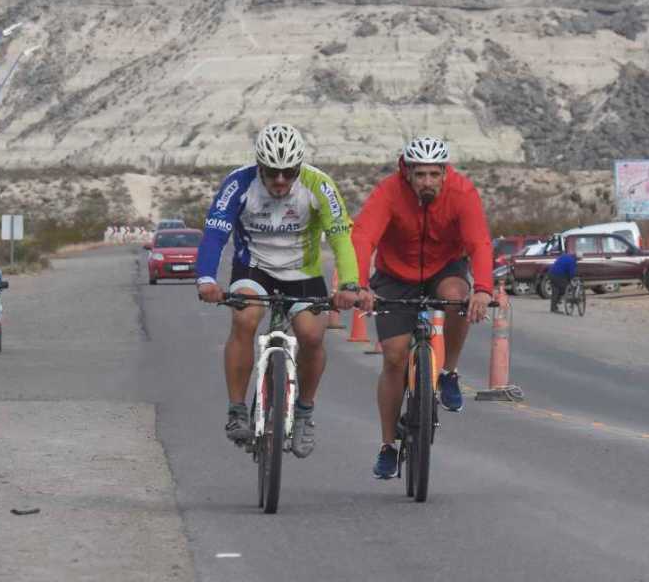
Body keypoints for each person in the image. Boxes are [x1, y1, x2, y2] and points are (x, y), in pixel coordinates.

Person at [195, 123, 359, 456]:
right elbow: (215, 234)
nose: (281, 180)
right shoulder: (239, 183)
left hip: (302, 272)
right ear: (259, 166)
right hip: (255, 267)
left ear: (299, 166)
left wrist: (350, 284)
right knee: (244, 319)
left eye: (289, 172)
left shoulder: (319, 184)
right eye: (272, 173)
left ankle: (304, 412)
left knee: (312, 335)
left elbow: (341, 237)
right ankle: (237, 410)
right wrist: (206, 279)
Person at [352, 136, 494, 479]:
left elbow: (479, 242)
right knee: (394, 358)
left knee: (458, 297)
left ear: (445, 172)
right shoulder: (389, 192)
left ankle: (448, 373)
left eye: (434, 174)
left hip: (444, 269)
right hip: (395, 275)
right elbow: (363, 237)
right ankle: (388, 446)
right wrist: (359, 284)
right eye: (420, 175)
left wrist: (483, 290)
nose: (427, 182)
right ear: (408, 173)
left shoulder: (462, 193)